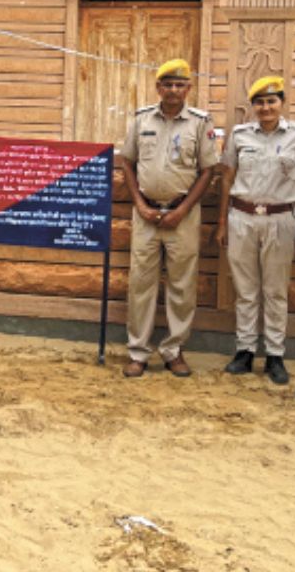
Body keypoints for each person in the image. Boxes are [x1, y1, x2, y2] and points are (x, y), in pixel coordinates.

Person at [118, 58, 219, 379]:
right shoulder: (141, 119)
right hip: (145, 214)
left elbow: (208, 171)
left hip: (183, 216)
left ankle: (174, 350)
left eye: (180, 85)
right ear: (158, 87)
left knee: (182, 285)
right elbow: (127, 163)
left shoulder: (200, 123)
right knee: (141, 285)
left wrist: (182, 210)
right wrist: (140, 205)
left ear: (188, 88)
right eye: (168, 84)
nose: (174, 90)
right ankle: (138, 352)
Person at [215, 76, 295, 385]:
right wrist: (222, 222)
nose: (266, 107)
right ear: (253, 106)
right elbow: (227, 178)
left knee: (275, 290)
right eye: (260, 102)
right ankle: (244, 350)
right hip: (242, 218)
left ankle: (274, 354)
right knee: (245, 290)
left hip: (281, 219)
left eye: (271, 101)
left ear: (282, 103)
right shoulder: (240, 135)